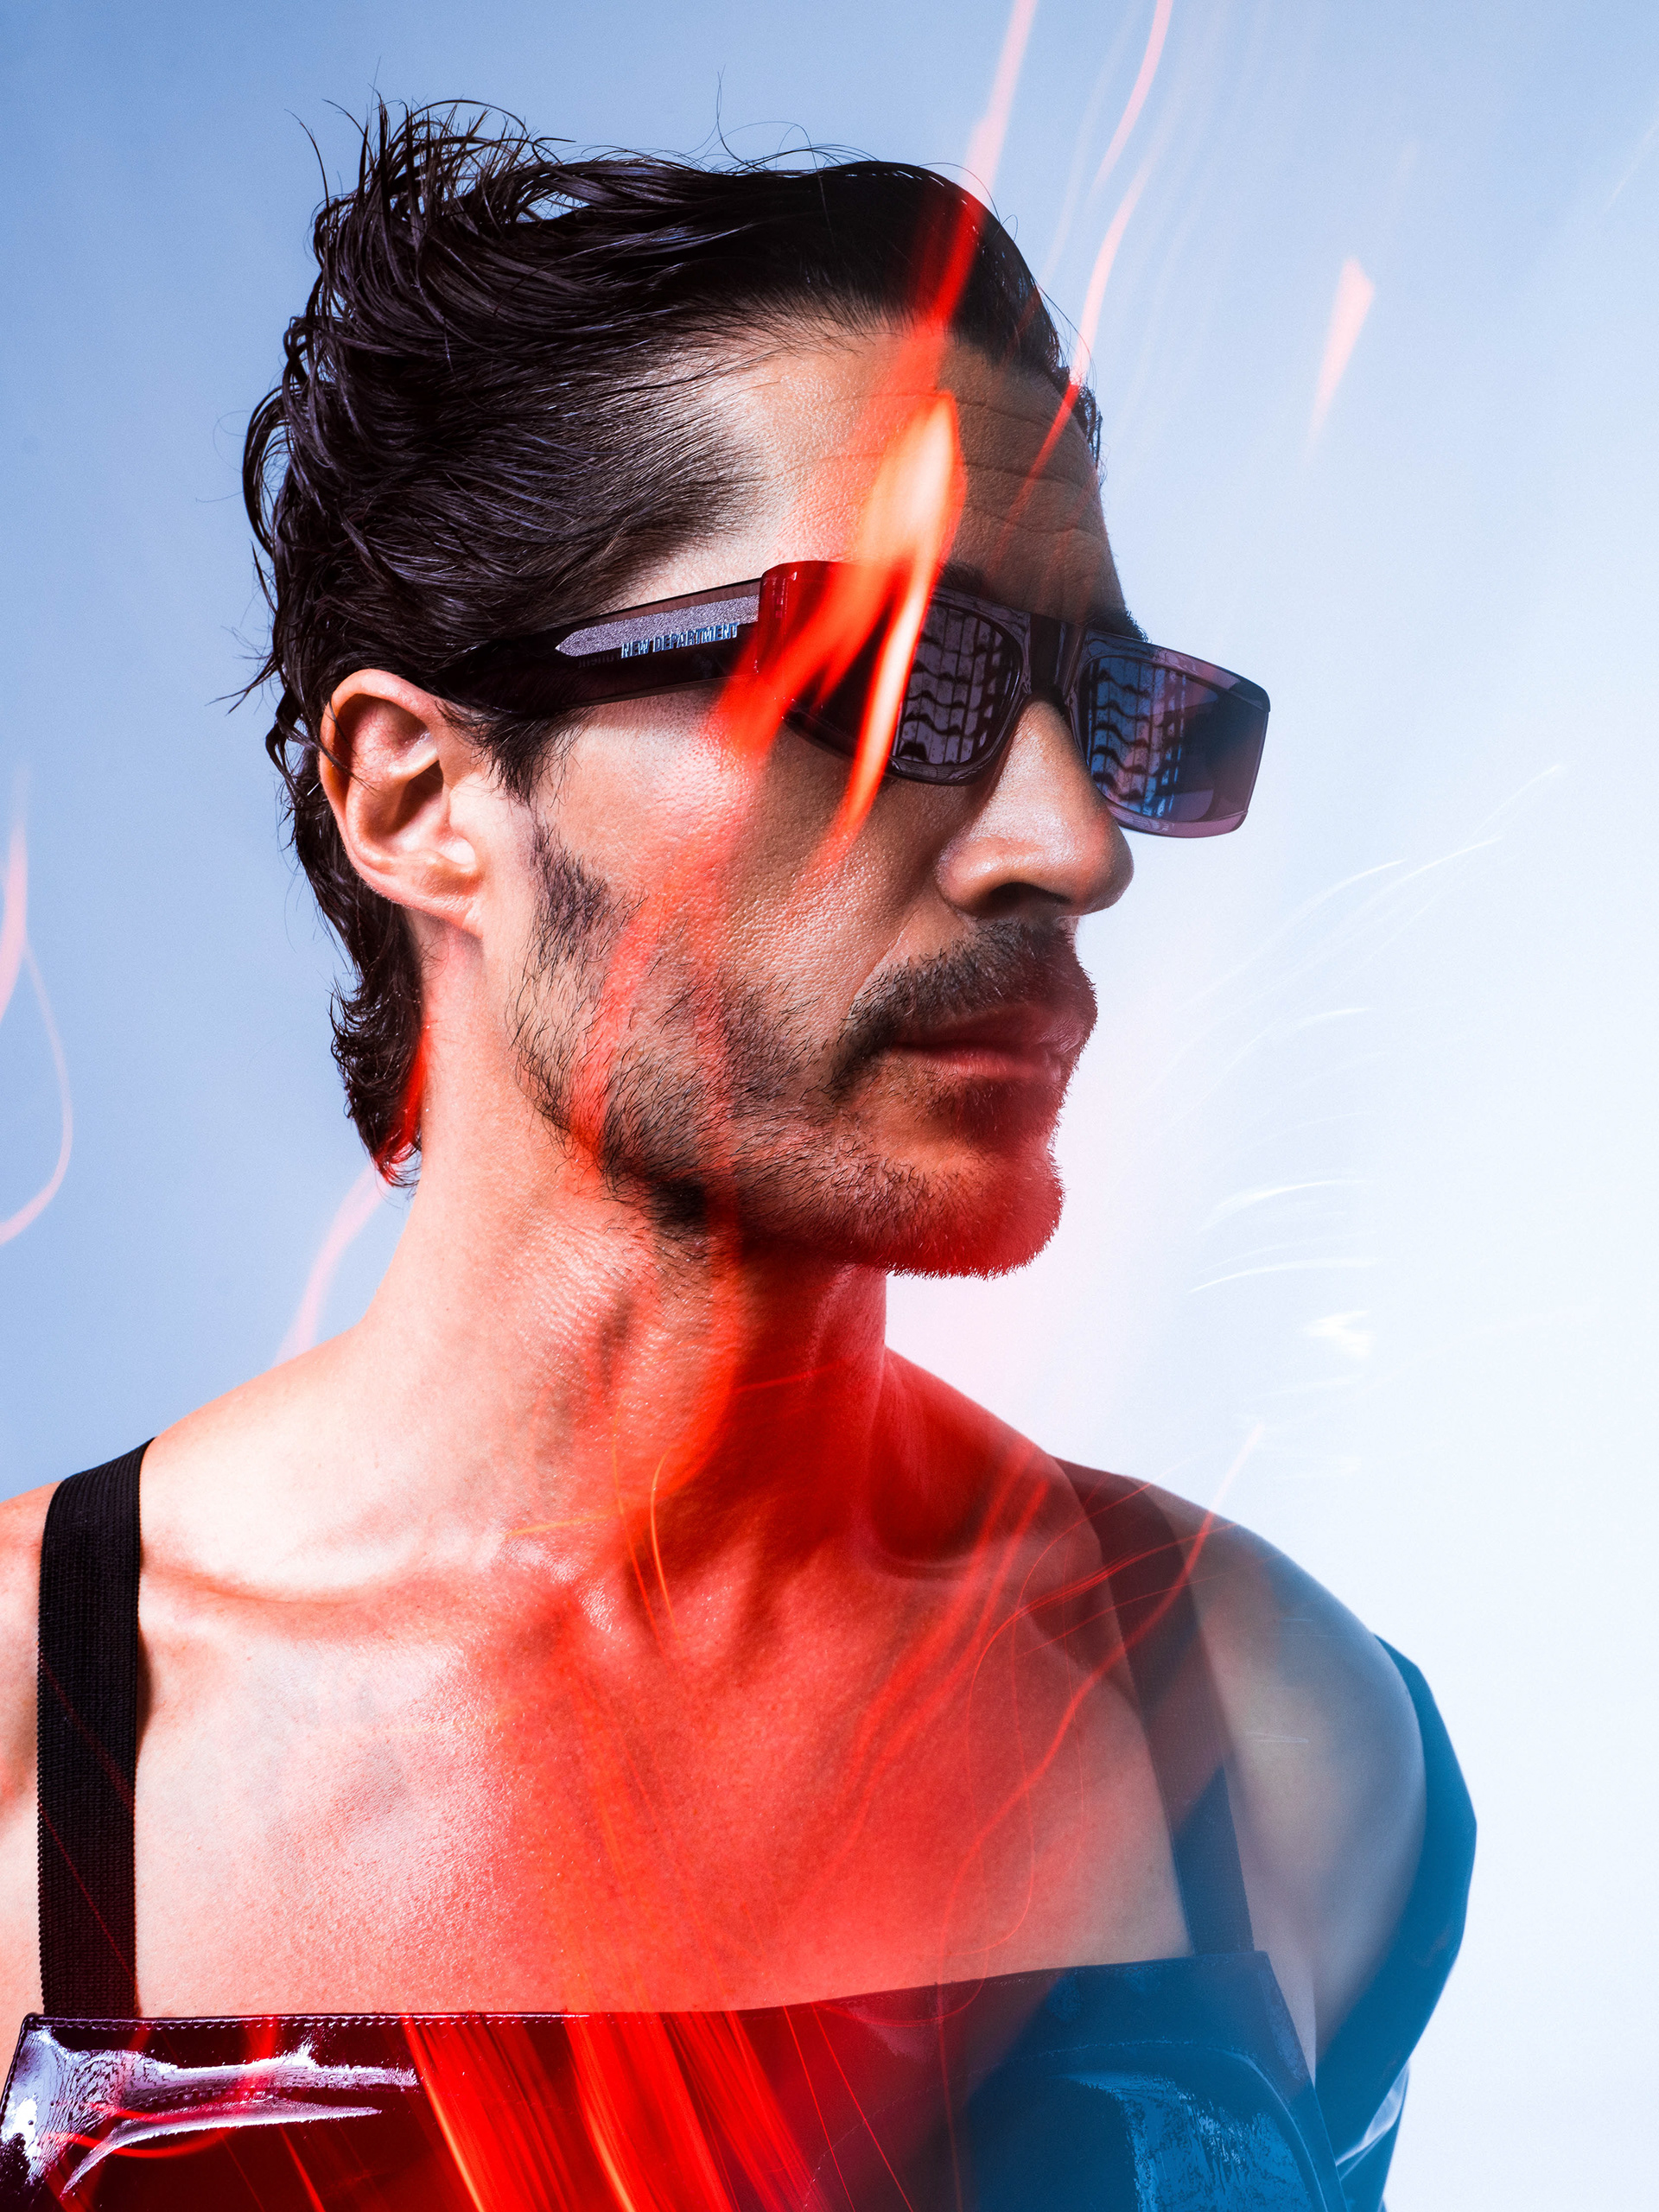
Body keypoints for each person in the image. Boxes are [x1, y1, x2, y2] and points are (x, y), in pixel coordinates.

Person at [0, 110, 1471, 2212]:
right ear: (421, 798)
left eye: (1106, 707)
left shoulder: (1278, 1735)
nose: (1075, 844)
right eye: (887, 682)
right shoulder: (35, 1732)